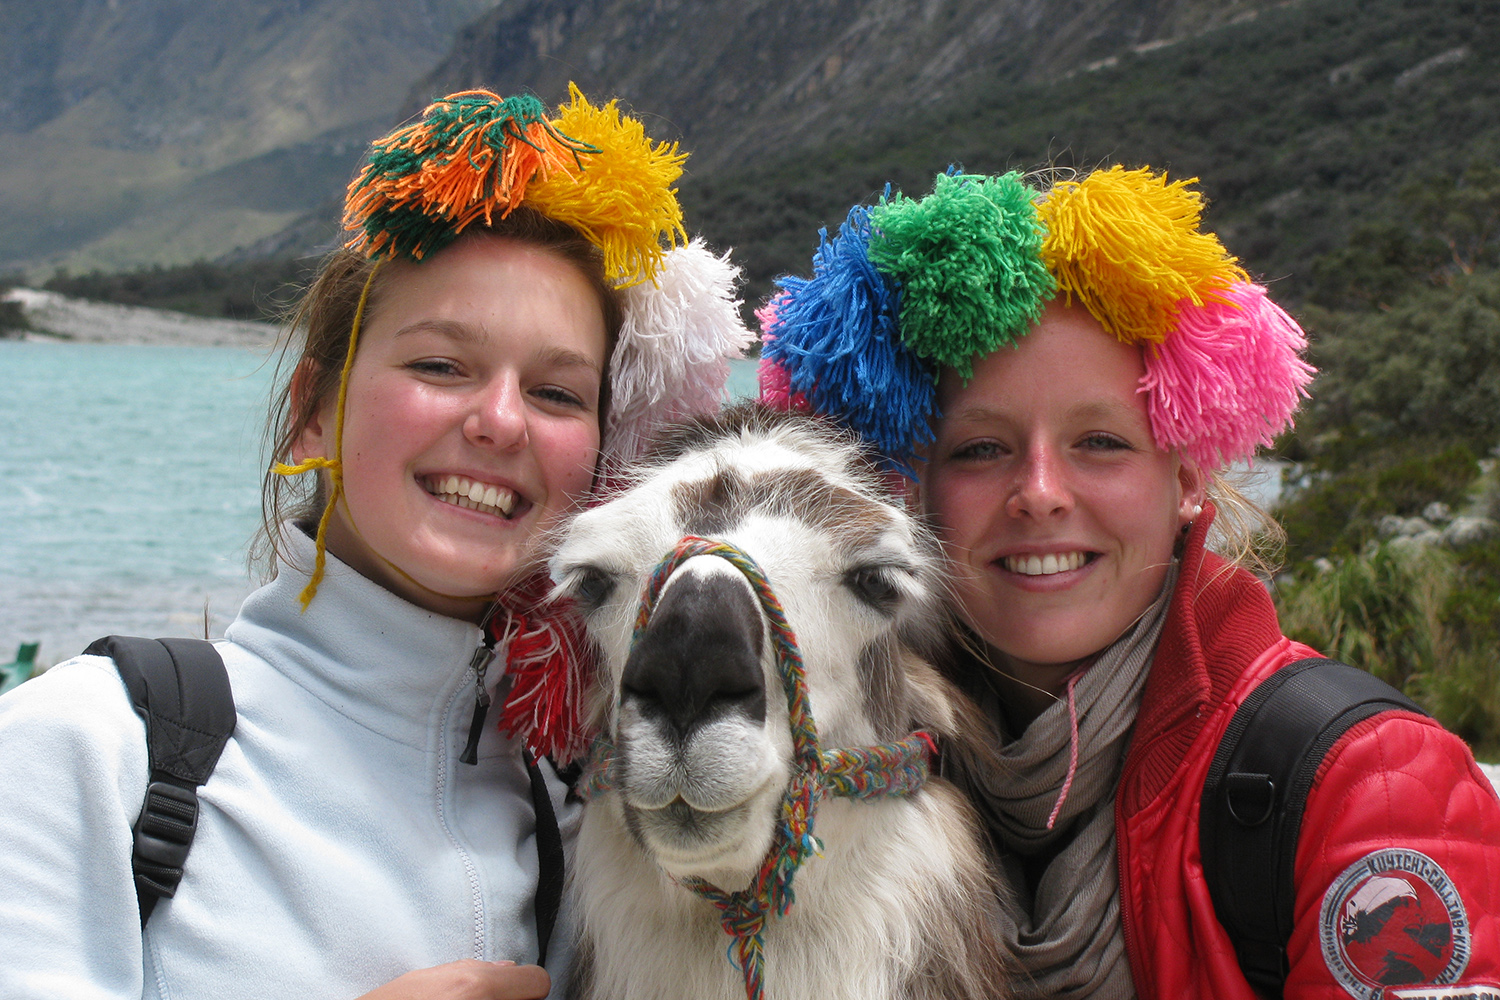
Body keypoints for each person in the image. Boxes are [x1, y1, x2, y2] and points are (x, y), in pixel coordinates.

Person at [0, 87, 752, 1000]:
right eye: (440, 365)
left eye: (558, 393)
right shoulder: (86, 751)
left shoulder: (576, 819)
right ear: (309, 415)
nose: (500, 421)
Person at [759, 166, 1500, 999]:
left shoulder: (1367, 785)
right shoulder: (849, 775)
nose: (1039, 491)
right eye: (980, 449)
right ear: (914, 490)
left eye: (1101, 442)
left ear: (1187, 478)